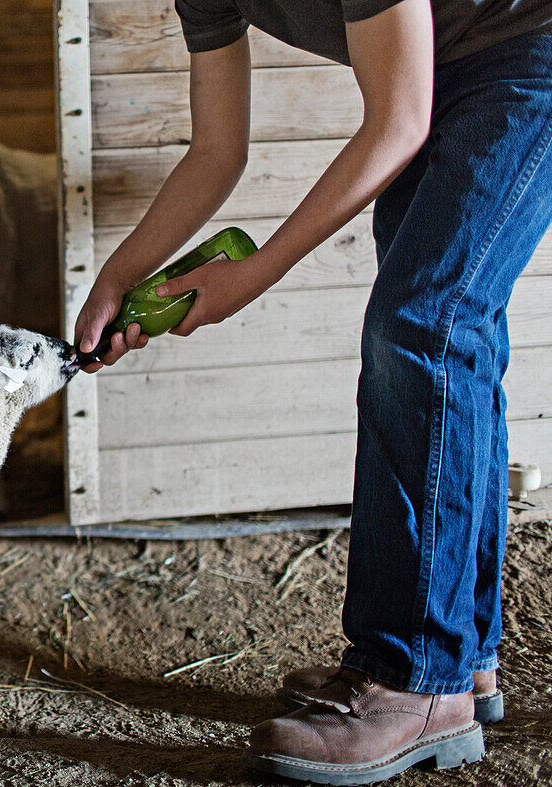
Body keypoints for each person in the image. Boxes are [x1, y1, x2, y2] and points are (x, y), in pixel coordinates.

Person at [74, 0, 552, 782]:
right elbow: (217, 149)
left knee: (424, 324)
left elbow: (398, 121)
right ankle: (462, 656)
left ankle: (413, 677)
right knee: (449, 329)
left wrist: (254, 274)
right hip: (442, 68)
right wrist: (120, 276)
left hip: (529, 52)